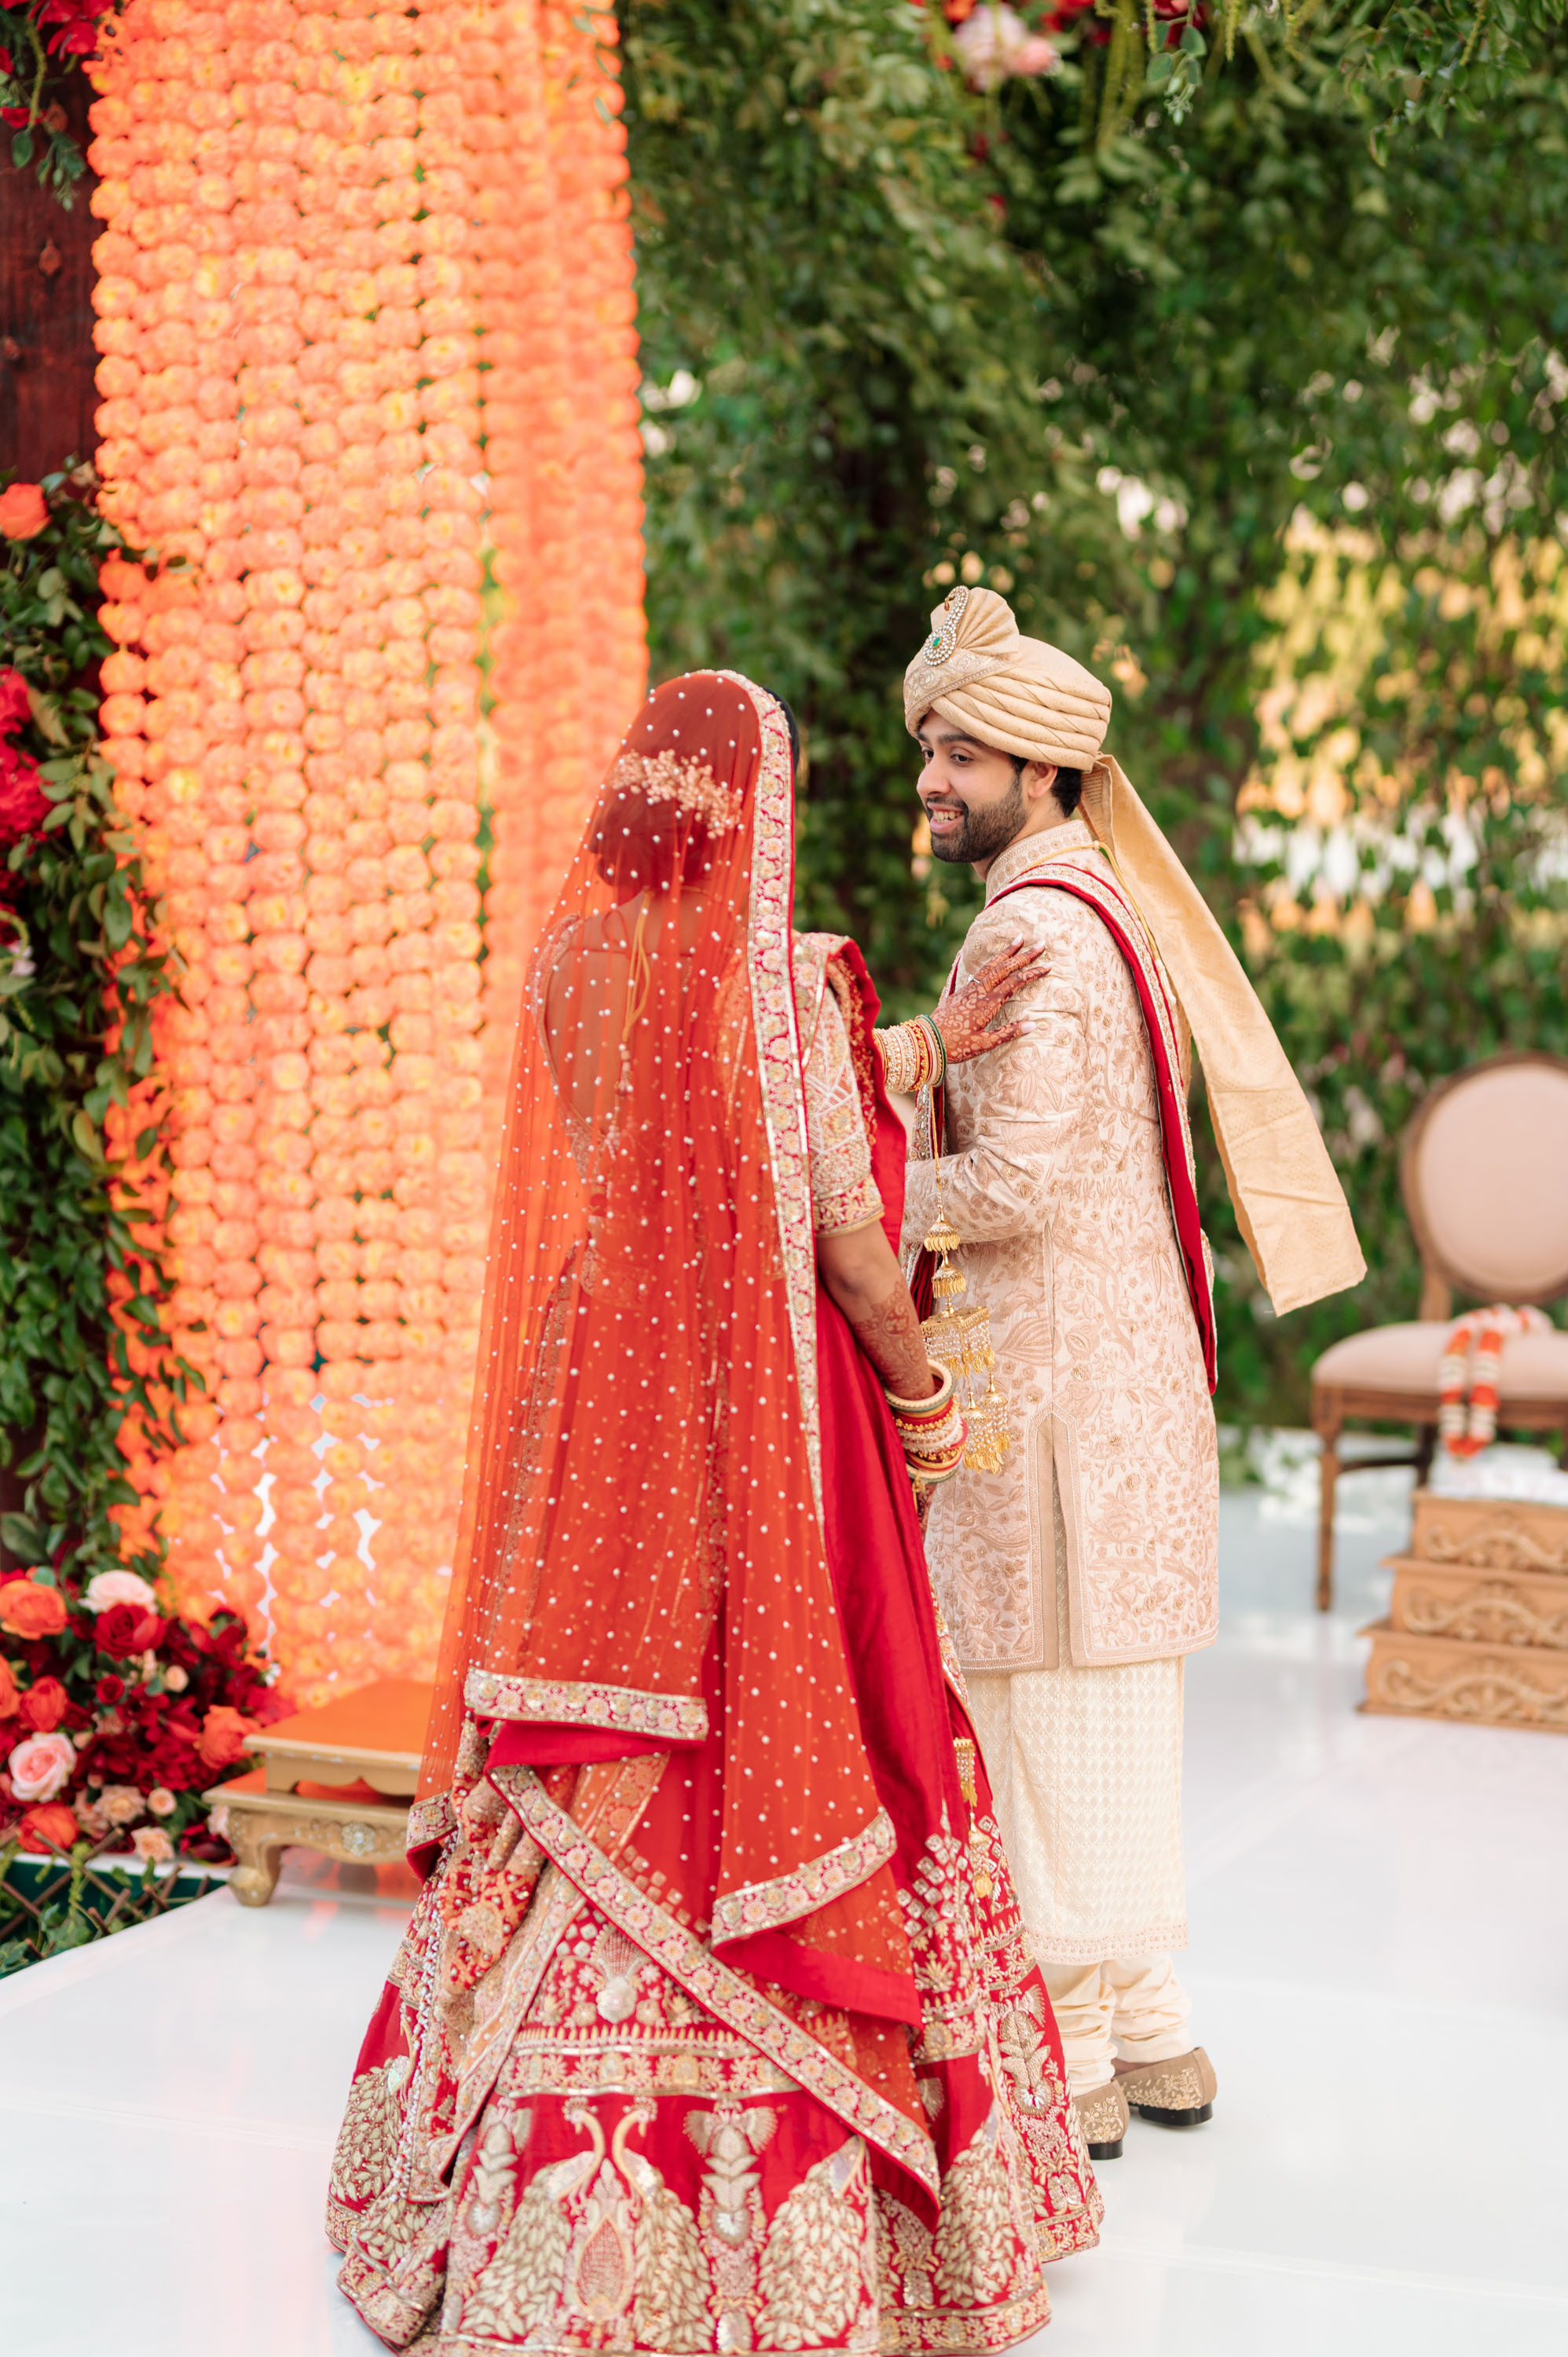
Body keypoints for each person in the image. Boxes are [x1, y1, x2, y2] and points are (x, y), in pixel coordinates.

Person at [327, 669, 1102, 2353]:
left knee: (596, 1740)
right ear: (752, 812)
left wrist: (909, 1055)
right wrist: (920, 1390)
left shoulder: (568, 960)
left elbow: (679, 1109)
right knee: (814, 1717)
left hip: (601, 1393)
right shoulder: (793, 980)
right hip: (767, 1407)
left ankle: (510, 2191)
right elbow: (826, 1217)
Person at [882, 588, 1364, 2161]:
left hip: (1042, 1402)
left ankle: (1069, 2049)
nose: (929, 784)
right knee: (1107, 1711)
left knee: (1032, 1713)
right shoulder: (1105, 905)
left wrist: (860, 1196)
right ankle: (1152, 2029)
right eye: (928, 752)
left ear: (1040, 767)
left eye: (956, 754)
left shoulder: (1027, 924)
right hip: (1112, 1386)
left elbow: (1012, 1189)